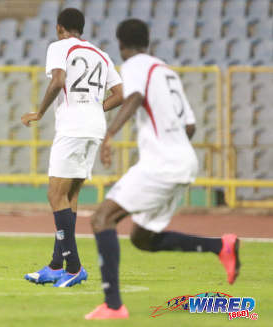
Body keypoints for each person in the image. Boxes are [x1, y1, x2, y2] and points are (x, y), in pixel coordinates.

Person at [84, 19, 240, 320]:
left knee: (103, 218)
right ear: (147, 41)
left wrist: (110, 134)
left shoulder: (133, 66)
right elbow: (190, 125)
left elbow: (135, 98)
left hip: (163, 164)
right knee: (143, 238)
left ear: (121, 44)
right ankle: (222, 246)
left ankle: (113, 306)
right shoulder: (165, 71)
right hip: (183, 160)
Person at [21, 8, 123, 287]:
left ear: (59, 28)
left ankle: (74, 267)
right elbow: (120, 94)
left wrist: (39, 113)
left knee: (55, 194)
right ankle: (56, 265)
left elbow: (58, 80)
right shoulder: (101, 54)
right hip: (94, 127)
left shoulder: (59, 47)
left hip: (73, 128)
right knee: (70, 195)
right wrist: (95, 108)